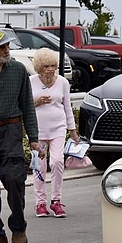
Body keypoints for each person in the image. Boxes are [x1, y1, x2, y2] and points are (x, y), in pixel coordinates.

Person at [0, 28, 42, 243]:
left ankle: (18, 228)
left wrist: (34, 137)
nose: (6, 50)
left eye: (8, 46)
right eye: (1, 47)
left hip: (11, 130)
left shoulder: (19, 70)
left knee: (14, 179)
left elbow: (28, 106)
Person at [30, 48, 80, 218]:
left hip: (58, 128)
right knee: (39, 166)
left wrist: (73, 131)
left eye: (53, 66)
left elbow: (67, 107)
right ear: (39, 67)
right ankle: (40, 203)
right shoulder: (30, 82)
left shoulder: (63, 83)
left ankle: (56, 201)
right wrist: (37, 102)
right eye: (46, 66)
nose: (50, 69)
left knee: (57, 161)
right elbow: (25, 106)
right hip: (37, 130)